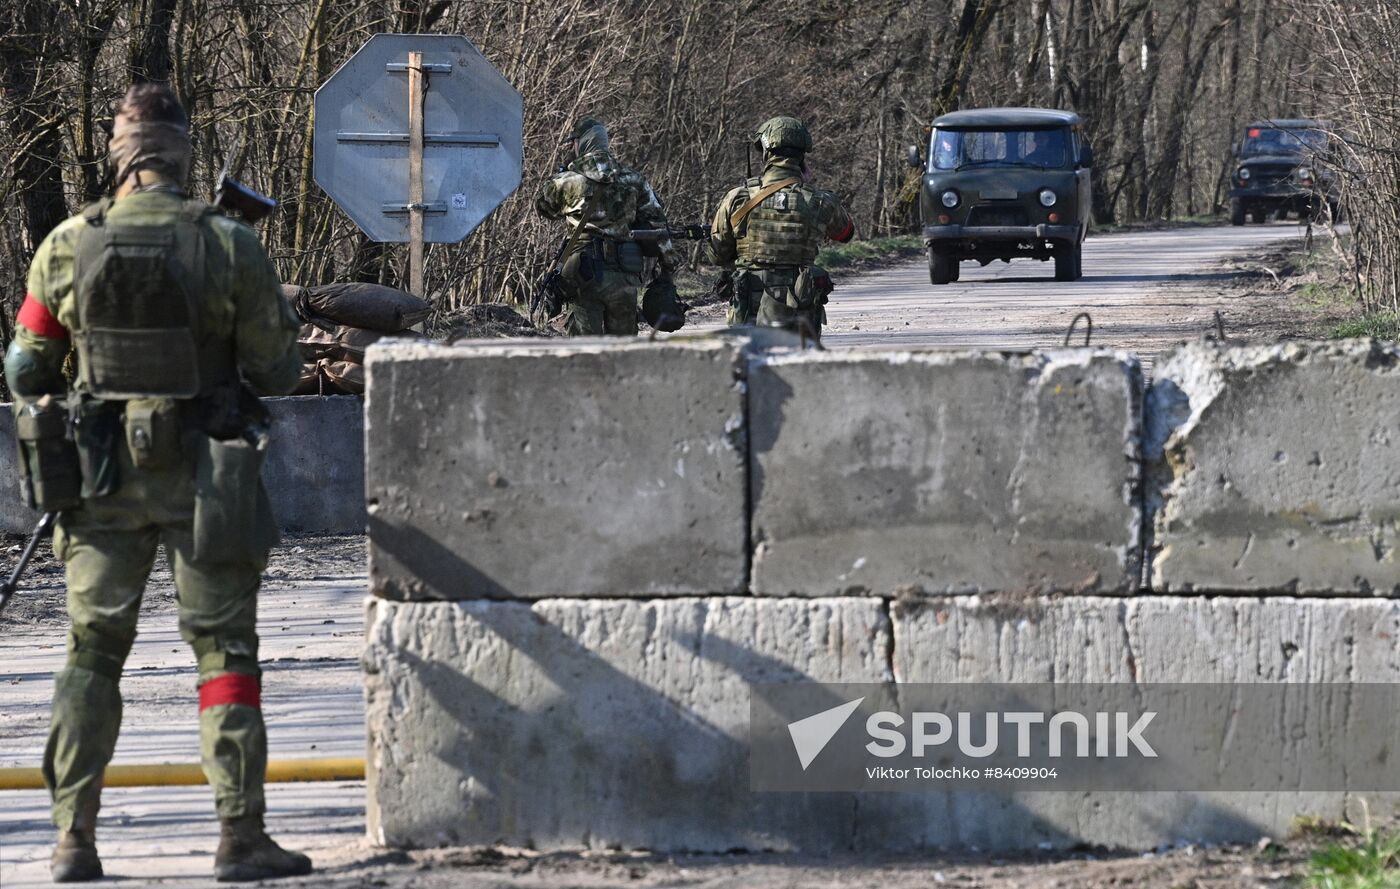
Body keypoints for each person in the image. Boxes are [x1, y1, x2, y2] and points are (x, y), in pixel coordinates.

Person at [3, 82, 310, 883]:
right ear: (182, 153)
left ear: (117, 153)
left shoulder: (68, 243)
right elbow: (279, 366)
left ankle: (74, 839)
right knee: (225, 652)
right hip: (208, 470)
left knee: (92, 652)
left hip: (102, 476)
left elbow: (26, 366)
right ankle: (240, 837)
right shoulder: (229, 242)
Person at [709, 116, 854, 338]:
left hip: (749, 306)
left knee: (748, 366)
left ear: (766, 152)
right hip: (801, 306)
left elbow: (717, 254)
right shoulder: (821, 201)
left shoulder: (737, 198)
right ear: (802, 157)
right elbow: (845, 233)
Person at [534, 118, 678, 336]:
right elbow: (658, 225)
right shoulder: (634, 180)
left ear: (581, 143)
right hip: (624, 274)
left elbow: (543, 208)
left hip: (583, 273)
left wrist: (562, 172)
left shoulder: (567, 181)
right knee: (622, 349)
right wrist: (668, 266)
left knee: (585, 350)